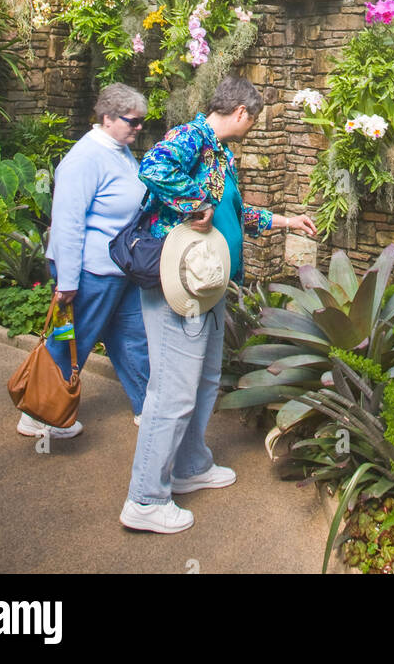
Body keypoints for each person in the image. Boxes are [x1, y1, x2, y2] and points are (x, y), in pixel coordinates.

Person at [120, 75, 318, 534]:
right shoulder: (190, 137)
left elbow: (236, 213)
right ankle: (145, 499)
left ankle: (190, 466)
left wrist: (287, 219)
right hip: (179, 287)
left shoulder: (221, 155)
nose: (251, 127)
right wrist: (193, 201)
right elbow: (151, 167)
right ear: (243, 113)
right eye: (254, 120)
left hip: (209, 286)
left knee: (206, 379)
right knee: (171, 391)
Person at [16, 83, 151, 441]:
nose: (139, 129)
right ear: (107, 117)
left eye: (141, 123)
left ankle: (148, 407)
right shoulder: (84, 158)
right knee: (71, 340)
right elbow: (67, 223)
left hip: (120, 270)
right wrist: (68, 281)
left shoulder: (118, 149)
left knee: (132, 337)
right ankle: (39, 413)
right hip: (88, 273)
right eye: (133, 122)